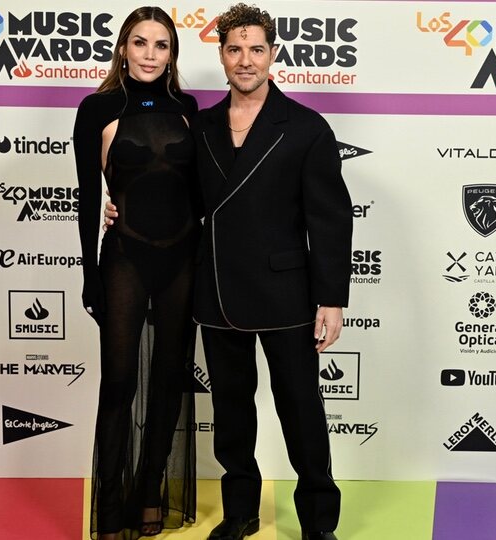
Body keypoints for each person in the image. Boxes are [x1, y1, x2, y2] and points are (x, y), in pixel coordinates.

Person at [105, 5, 352, 539]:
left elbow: (330, 220)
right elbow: (173, 191)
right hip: (215, 288)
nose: (245, 60)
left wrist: (331, 300)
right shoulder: (200, 124)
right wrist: (118, 202)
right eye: (235, 49)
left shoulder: (306, 128)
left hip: (286, 291)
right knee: (231, 414)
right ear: (221, 55)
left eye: (256, 49)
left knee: (302, 412)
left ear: (273, 55)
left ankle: (318, 522)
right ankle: (240, 512)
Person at [72, 7, 200, 539]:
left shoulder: (190, 108)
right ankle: (111, 507)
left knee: (170, 380)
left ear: (172, 54)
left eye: (162, 45)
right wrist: (89, 273)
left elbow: (202, 190)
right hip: (123, 257)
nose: (150, 54)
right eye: (140, 42)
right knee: (119, 382)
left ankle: (150, 494)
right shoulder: (96, 107)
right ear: (123, 48)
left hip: (184, 260)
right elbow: (86, 197)